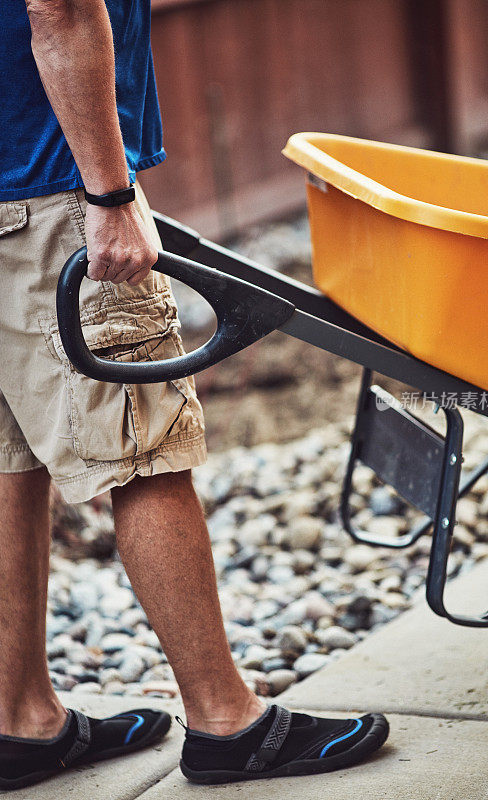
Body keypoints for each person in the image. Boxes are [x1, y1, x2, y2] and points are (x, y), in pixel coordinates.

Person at [0, 0, 389, 790]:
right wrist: (109, 196)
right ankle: (226, 721)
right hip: (45, 190)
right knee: (144, 448)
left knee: (9, 457)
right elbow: (60, 7)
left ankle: (20, 721)